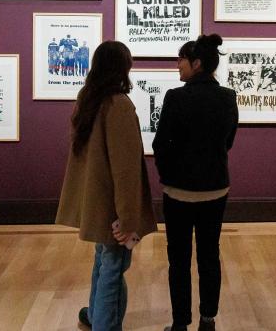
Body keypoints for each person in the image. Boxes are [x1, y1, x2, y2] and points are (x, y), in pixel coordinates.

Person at [56, 41, 157, 331]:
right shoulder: (119, 106)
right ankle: (105, 325)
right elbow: (125, 170)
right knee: (114, 266)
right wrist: (127, 218)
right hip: (114, 207)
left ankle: (94, 316)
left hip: (96, 202)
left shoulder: (88, 99)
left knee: (103, 262)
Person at [153, 34, 239, 331]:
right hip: (216, 188)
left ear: (197, 63)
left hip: (178, 191)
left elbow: (161, 144)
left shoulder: (176, 97)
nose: (177, 65)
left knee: (179, 259)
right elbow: (227, 142)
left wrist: (169, 176)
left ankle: (180, 324)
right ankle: (208, 319)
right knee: (209, 254)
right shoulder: (228, 97)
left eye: (181, 60)